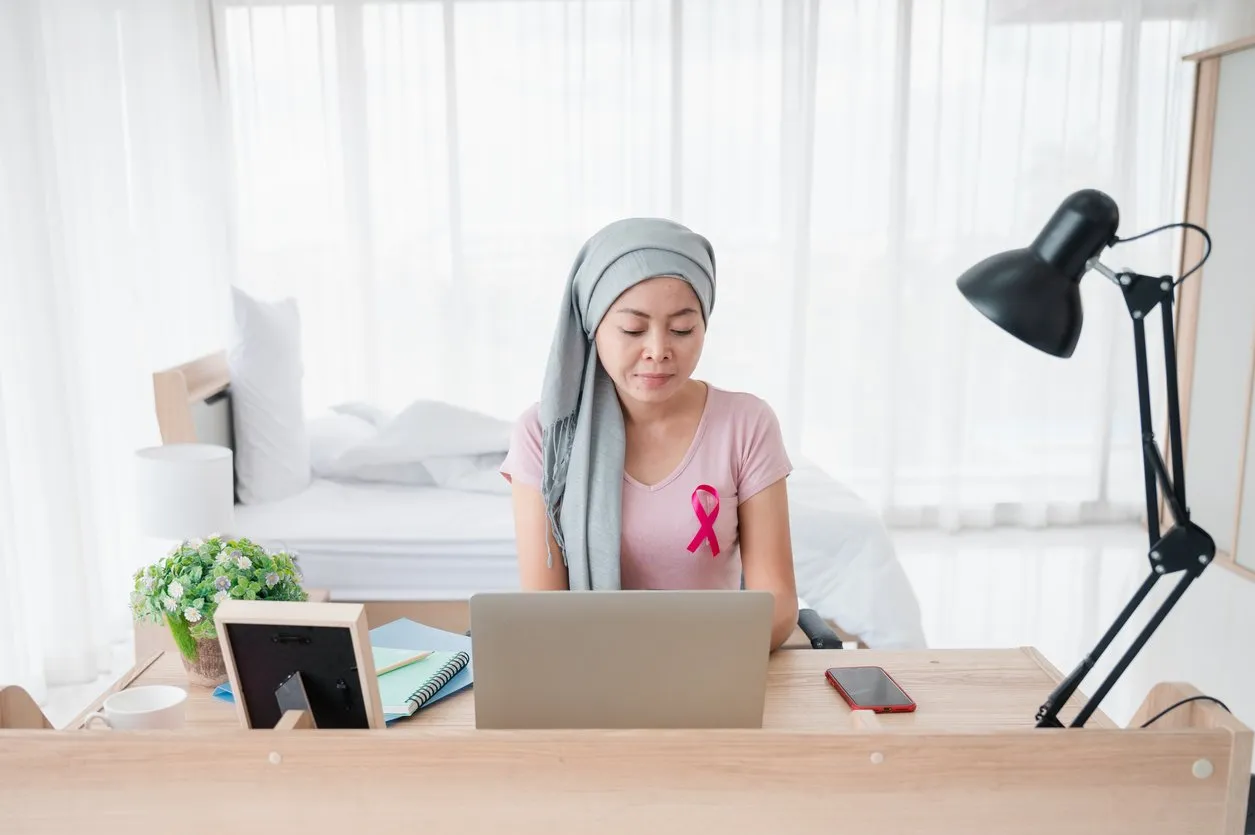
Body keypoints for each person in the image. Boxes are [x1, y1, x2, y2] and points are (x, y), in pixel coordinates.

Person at [499, 217, 799, 650]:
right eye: (632, 329)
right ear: (592, 325)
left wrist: (682, 656)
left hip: (711, 667)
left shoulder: (747, 424)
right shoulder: (543, 435)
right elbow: (546, 611)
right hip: (590, 675)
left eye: (682, 329)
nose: (659, 349)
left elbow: (779, 603)